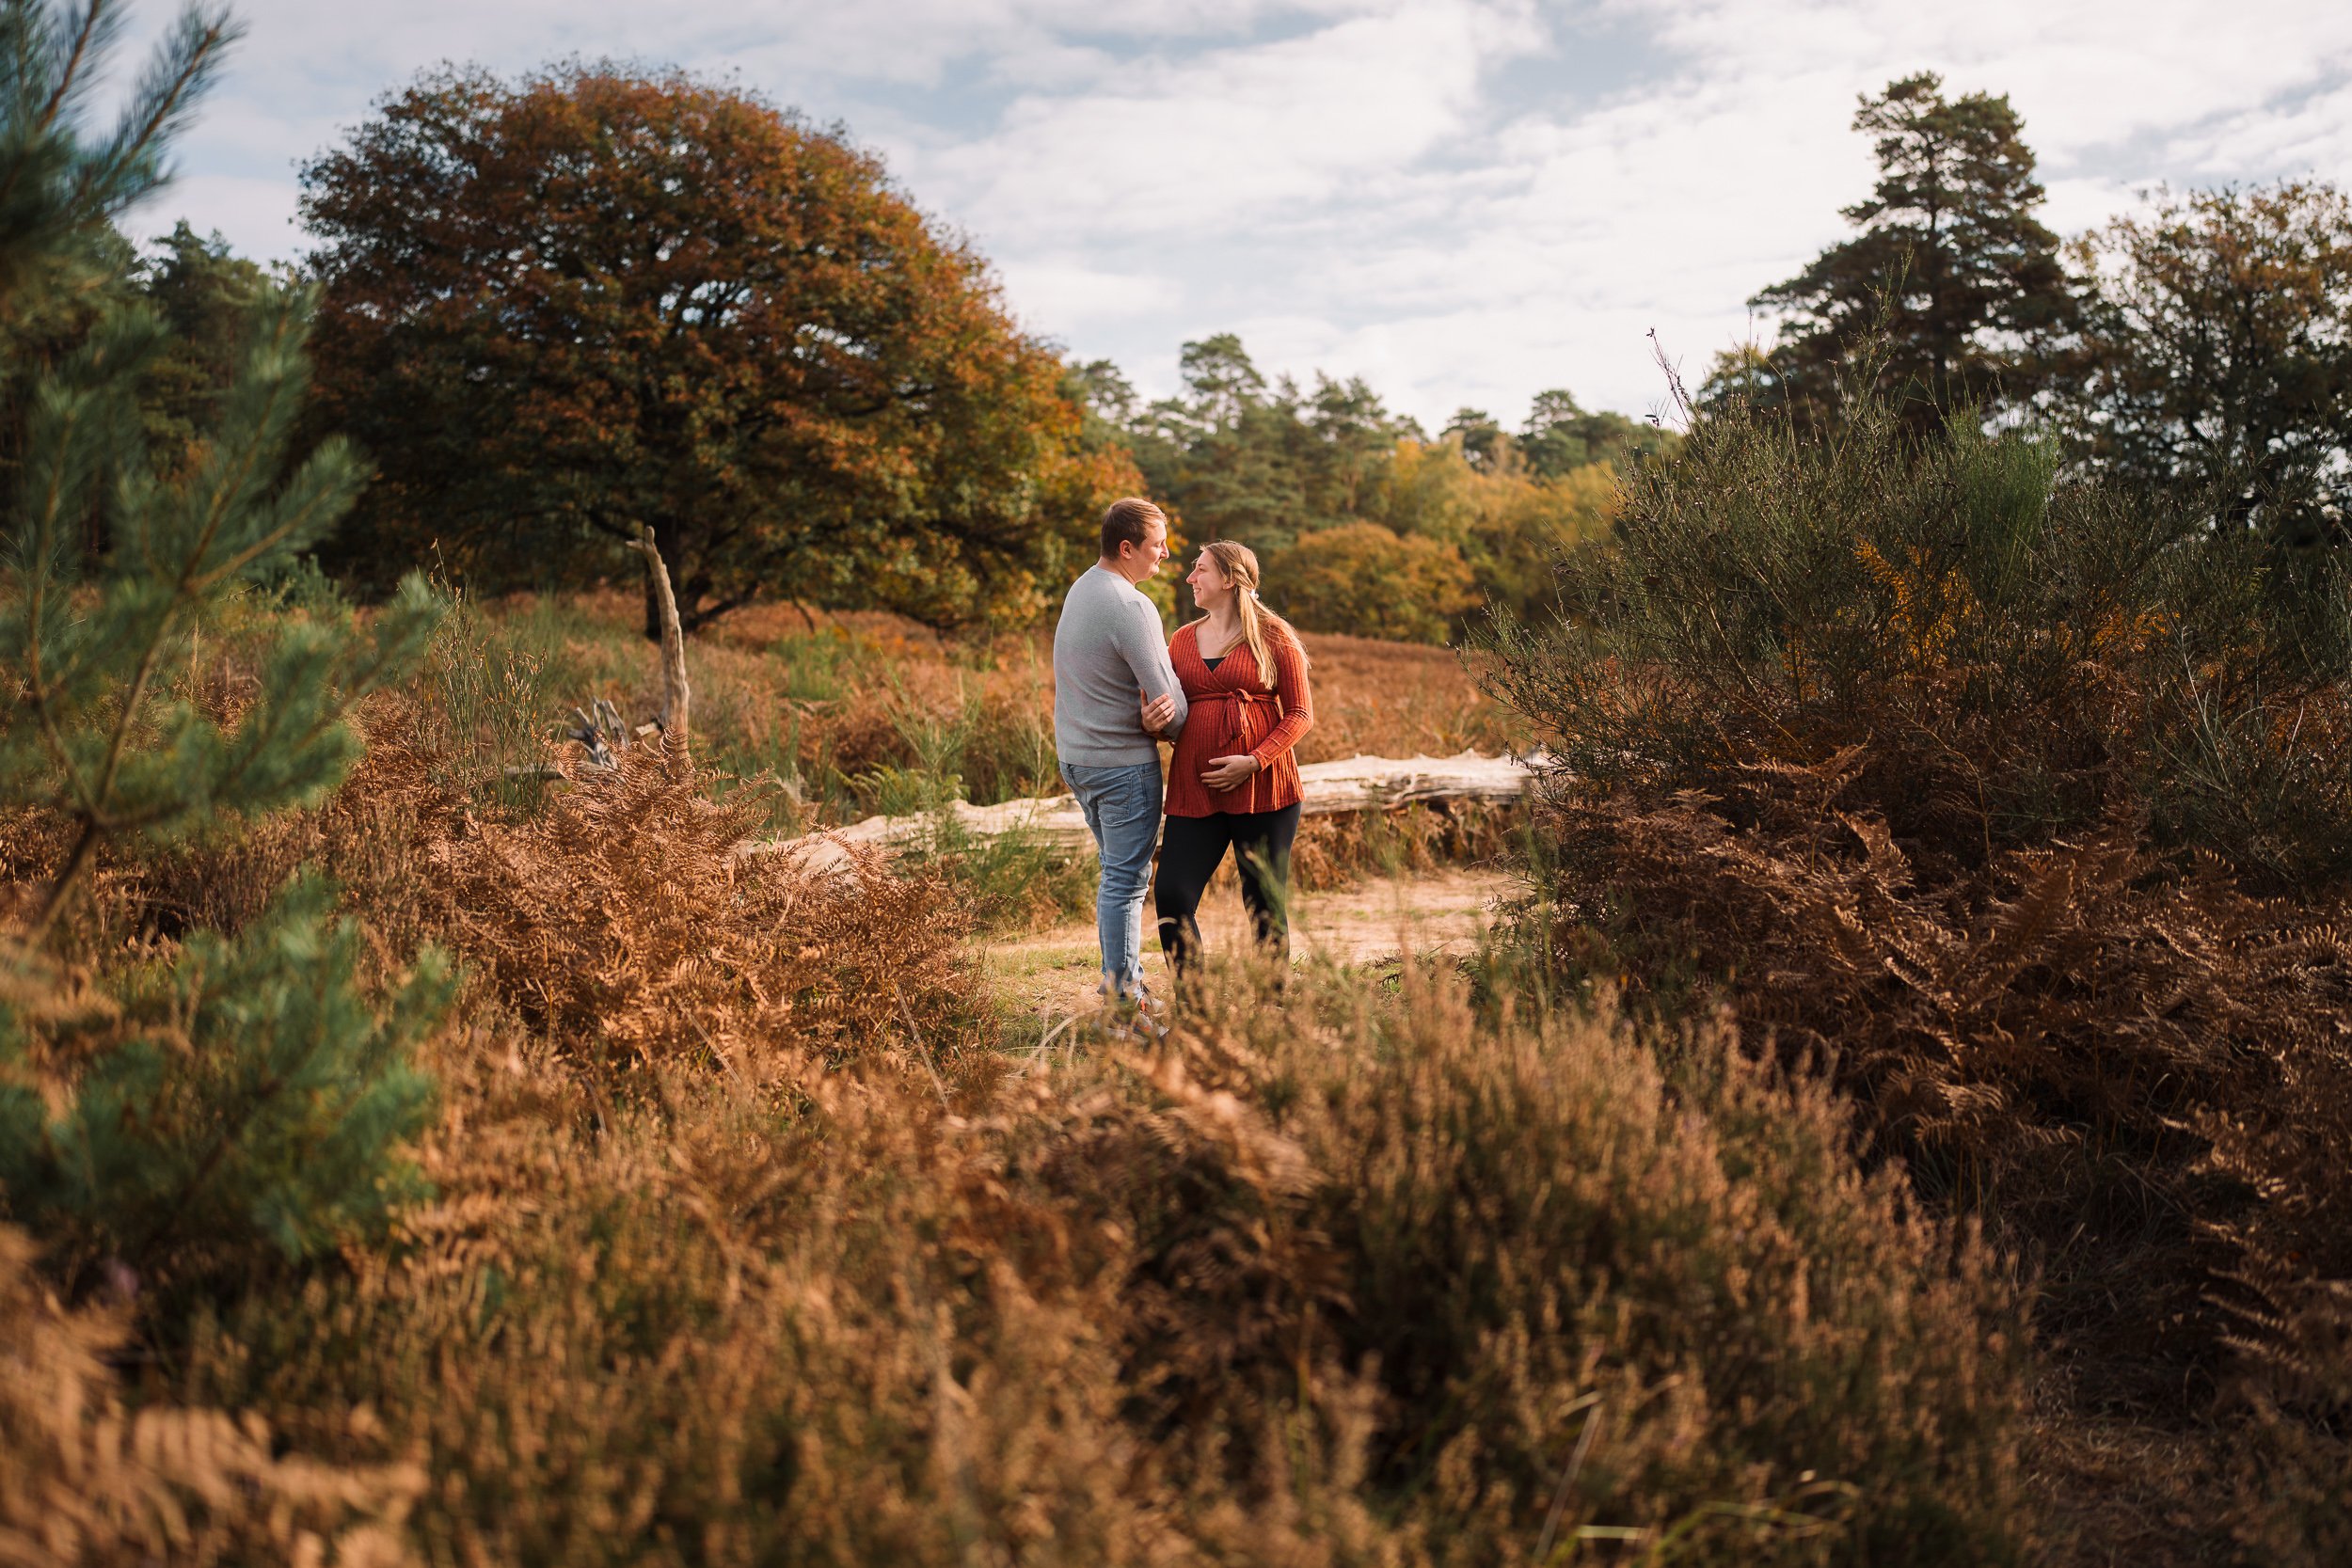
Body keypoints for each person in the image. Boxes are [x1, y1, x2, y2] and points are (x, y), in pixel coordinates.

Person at [1154, 540, 1313, 984]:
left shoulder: (1274, 636)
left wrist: (1255, 761)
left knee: (1263, 900)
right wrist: (1152, 722)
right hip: (1195, 788)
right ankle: (1197, 1010)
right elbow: (1168, 710)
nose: (1190, 578)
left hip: (1266, 791)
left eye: (1200, 569)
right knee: (1171, 895)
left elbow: (1301, 714)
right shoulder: (1182, 640)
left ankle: (1272, 1006)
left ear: (1229, 579)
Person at [1053, 497, 1187, 1004]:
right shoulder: (1130, 604)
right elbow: (1168, 702)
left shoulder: (1083, 587)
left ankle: (1123, 983)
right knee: (1127, 884)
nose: (1167, 554)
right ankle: (1124, 999)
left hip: (1078, 760)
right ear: (1127, 548)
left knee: (1116, 876)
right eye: (1158, 545)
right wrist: (1184, 722)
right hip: (1121, 767)